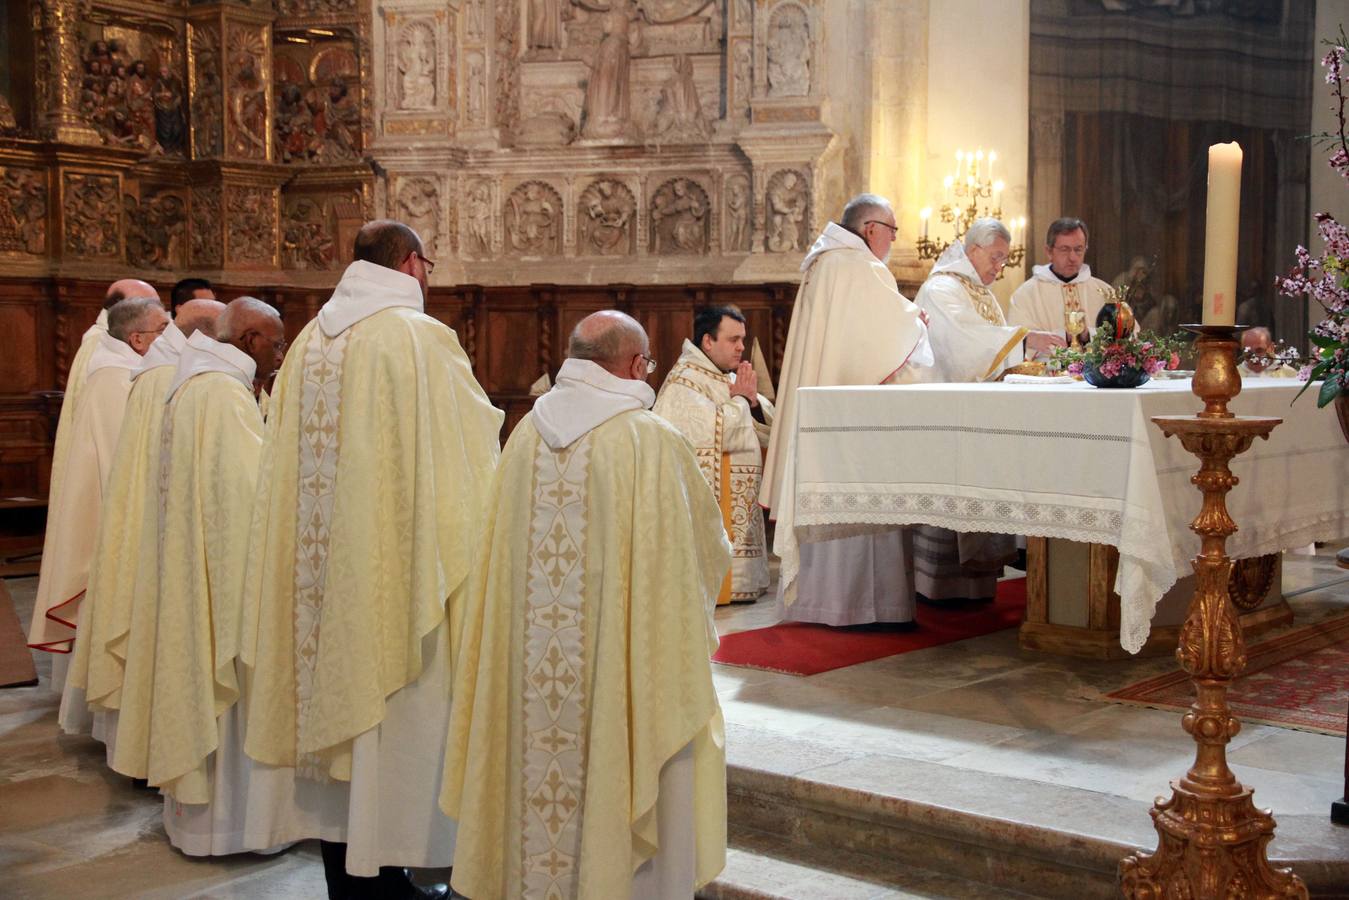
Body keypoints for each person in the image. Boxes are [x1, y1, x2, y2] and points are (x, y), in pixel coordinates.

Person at [240, 220, 502, 897]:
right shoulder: (418, 339)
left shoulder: (306, 342)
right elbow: (469, 453)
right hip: (392, 575)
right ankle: (390, 879)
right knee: (396, 722)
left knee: (330, 735)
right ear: (412, 264)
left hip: (318, 580)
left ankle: (348, 880)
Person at [440, 311, 731, 900]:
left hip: (529, 676)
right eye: (645, 363)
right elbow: (702, 551)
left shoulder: (524, 435)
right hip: (616, 672)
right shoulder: (649, 441)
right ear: (630, 365)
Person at [761, 193, 936, 627]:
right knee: (858, 495)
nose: (894, 240)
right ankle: (864, 607)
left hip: (827, 411)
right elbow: (885, 340)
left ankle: (817, 601)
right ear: (872, 229)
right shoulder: (859, 267)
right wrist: (917, 322)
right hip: (856, 421)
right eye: (892, 231)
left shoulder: (824, 262)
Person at [149, 298, 284, 855]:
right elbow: (249, 498)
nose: (280, 354)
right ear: (250, 341)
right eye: (276, 344)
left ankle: (204, 823)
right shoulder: (223, 395)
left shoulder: (193, 385)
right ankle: (237, 826)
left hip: (191, 567)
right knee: (234, 691)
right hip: (226, 582)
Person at [62, 298, 225, 757]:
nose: (172, 331)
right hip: (150, 528)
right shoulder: (144, 379)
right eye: (164, 325)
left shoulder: (149, 373)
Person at [28, 297, 168, 680]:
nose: (171, 337)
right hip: (116, 526)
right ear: (138, 339)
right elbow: (123, 465)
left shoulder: (124, 370)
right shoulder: (116, 380)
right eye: (164, 330)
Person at [913, 220, 1022, 604]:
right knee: (950, 500)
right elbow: (963, 347)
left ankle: (977, 587)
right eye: (995, 258)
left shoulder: (980, 292)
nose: (999, 267)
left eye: (1004, 260)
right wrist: (1022, 339)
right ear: (972, 249)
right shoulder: (942, 288)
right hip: (947, 414)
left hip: (978, 413)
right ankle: (939, 589)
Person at [654, 305, 774, 604]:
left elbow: (765, 425)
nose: (741, 347)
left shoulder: (719, 376)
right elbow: (713, 432)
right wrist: (742, 402)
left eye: (743, 339)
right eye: (733, 339)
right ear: (708, 341)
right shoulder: (684, 382)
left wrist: (751, 403)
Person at [1008, 217, 1115, 357]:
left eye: (1078, 250)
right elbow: (1015, 343)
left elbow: (1127, 338)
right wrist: (1062, 336)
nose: (1072, 257)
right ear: (1049, 252)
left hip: (1095, 377)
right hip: (1046, 375)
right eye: (1065, 250)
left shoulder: (1105, 292)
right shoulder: (1025, 295)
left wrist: (1088, 335)